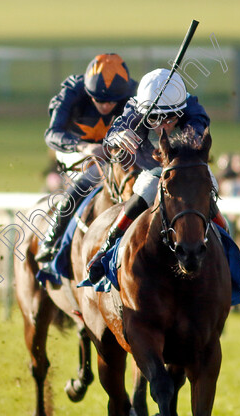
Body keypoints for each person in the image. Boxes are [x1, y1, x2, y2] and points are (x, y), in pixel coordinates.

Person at [87, 68, 229, 282]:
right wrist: (119, 136)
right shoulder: (135, 112)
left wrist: (176, 147)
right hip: (152, 171)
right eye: (153, 118)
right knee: (146, 190)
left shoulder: (192, 109)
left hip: (185, 167)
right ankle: (105, 249)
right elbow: (111, 134)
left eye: (170, 118)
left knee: (211, 189)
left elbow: (198, 133)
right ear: (144, 112)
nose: (162, 125)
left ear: (180, 111)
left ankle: (230, 249)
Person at [35, 54, 136, 262]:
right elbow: (52, 135)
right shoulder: (73, 92)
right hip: (74, 149)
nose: (106, 106)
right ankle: (53, 238)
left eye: (112, 102)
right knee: (89, 177)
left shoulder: (132, 94)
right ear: (89, 92)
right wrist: (85, 147)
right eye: (99, 100)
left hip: (116, 153)